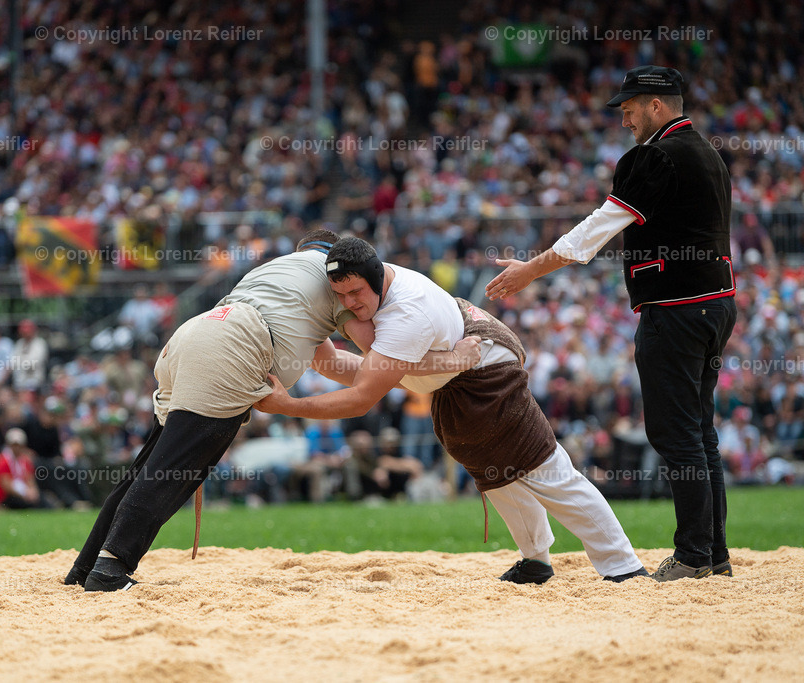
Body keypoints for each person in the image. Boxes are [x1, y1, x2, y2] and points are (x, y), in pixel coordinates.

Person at [66, 230, 479, 592]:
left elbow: (334, 365)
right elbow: (380, 359)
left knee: (151, 462)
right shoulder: (337, 281)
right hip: (234, 348)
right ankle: (111, 566)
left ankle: (86, 566)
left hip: (192, 334)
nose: (346, 295)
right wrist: (451, 360)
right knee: (176, 469)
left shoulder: (280, 269)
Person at [256, 236, 647, 583]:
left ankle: (622, 564)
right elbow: (342, 366)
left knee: (544, 467)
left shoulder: (404, 313)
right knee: (496, 474)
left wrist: (287, 405)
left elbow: (363, 395)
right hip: (456, 368)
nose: (350, 302)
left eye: (356, 292)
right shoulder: (366, 301)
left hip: (485, 366)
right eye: (340, 295)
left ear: (376, 279)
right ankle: (536, 560)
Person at [486, 66, 736, 582]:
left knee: (676, 434)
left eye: (630, 106)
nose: (623, 117)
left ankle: (693, 556)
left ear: (658, 105)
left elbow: (597, 229)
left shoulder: (653, 156)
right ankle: (714, 553)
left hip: (675, 308)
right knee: (701, 432)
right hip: (715, 304)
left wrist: (530, 269)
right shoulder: (707, 152)